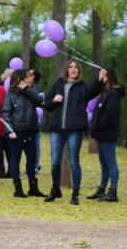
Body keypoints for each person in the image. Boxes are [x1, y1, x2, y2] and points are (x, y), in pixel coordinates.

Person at [43, 60, 105, 205]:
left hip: (74, 129)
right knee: (54, 163)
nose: (73, 69)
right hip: (57, 129)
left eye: (76, 67)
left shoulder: (82, 86)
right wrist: (54, 100)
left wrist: (100, 79)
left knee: (74, 161)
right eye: (70, 67)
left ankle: (75, 194)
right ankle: (55, 190)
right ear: (66, 69)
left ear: (79, 71)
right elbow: (47, 105)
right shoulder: (58, 83)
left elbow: (93, 91)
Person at [1, 70, 45, 198]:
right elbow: (5, 114)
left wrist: (28, 89)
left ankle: (33, 187)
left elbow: (39, 101)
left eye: (31, 76)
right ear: (20, 80)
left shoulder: (32, 92)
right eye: (28, 77)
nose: (31, 78)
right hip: (16, 132)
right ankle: (18, 188)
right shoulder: (10, 95)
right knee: (15, 159)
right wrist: (10, 131)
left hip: (31, 130)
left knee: (32, 160)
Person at [87, 68, 125, 202]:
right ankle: (102, 189)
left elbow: (110, 115)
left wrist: (98, 127)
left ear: (107, 76)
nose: (100, 76)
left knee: (110, 162)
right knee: (104, 163)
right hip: (101, 134)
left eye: (102, 74)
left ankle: (113, 192)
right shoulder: (105, 92)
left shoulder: (113, 94)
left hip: (107, 133)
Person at [30, 69, 45, 173]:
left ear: (33, 77)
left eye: (30, 73)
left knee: (35, 143)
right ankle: (33, 165)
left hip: (35, 119)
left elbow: (41, 104)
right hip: (29, 120)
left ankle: (35, 166)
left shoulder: (37, 89)